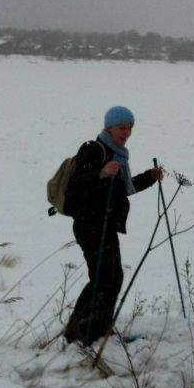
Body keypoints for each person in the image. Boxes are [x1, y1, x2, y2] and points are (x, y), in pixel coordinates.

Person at [63, 105, 163, 346]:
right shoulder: (93, 149)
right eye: (122, 128)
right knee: (103, 277)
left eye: (130, 128)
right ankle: (82, 332)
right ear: (109, 127)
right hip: (89, 225)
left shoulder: (118, 154)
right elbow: (75, 186)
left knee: (112, 277)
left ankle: (93, 329)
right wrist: (101, 173)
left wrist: (149, 177)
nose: (127, 133)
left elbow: (122, 190)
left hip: (105, 225)